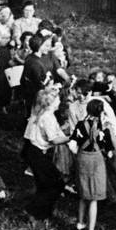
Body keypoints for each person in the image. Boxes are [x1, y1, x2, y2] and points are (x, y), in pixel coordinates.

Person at [69, 99, 116, 230]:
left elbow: (72, 144)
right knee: (94, 198)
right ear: (101, 112)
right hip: (97, 161)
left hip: (82, 158)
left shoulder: (80, 125)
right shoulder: (104, 128)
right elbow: (109, 152)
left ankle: (80, 223)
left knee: (83, 194)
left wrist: (78, 153)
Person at [22, 86, 71, 220]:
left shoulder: (42, 112)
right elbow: (54, 140)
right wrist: (72, 138)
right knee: (56, 184)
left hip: (33, 151)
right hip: (36, 153)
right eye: (58, 99)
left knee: (45, 183)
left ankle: (42, 213)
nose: (60, 101)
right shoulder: (47, 117)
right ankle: (33, 210)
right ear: (53, 102)